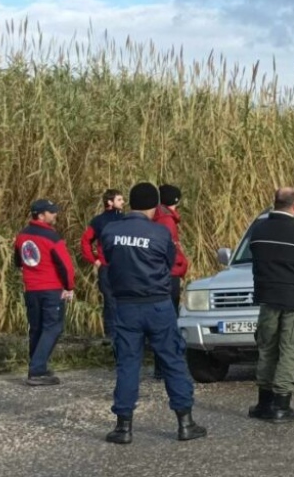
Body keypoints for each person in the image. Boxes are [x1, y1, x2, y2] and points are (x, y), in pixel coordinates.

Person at [100, 183, 206, 444]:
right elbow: (170, 262)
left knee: (127, 364)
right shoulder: (160, 233)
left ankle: (123, 428)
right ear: (154, 205)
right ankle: (185, 423)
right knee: (172, 360)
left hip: (125, 306)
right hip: (158, 305)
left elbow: (108, 261)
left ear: (132, 203)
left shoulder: (111, 231)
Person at [247, 187, 294, 423]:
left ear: (274, 203)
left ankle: (263, 402)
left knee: (267, 348)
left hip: (268, 299)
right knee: (291, 349)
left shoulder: (258, 230)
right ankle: (281, 405)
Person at [13, 199, 75, 386]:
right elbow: (66, 265)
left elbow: (17, 261)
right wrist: (69, 287)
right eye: (51, 212)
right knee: (53, 327)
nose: (55, 214)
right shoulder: (51, 237)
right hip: (51, 288)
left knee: (37, 328)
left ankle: (37, 365)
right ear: (41, 215)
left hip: (31, 289)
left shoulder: (21, 236)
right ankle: (37, 370)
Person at [150, 184, 190, 380]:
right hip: (169, 276)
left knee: (162, 321)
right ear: (176, 201)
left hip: (160, 276)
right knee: (168, 321)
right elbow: (171, 251)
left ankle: (162, 365)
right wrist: (182, 267)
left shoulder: (157, 217)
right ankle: (165, 366)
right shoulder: (167, 221)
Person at [80, 189, 125, 338]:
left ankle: (123, 333)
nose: (123, 202)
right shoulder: (99, 221)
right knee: (110, 301)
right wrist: (94, 260)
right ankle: (111, 335)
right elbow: (86, 241)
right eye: (119, 200)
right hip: (106, 266)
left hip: (123, 266)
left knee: (124, 299)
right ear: (110, 202)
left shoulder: (125, 219)